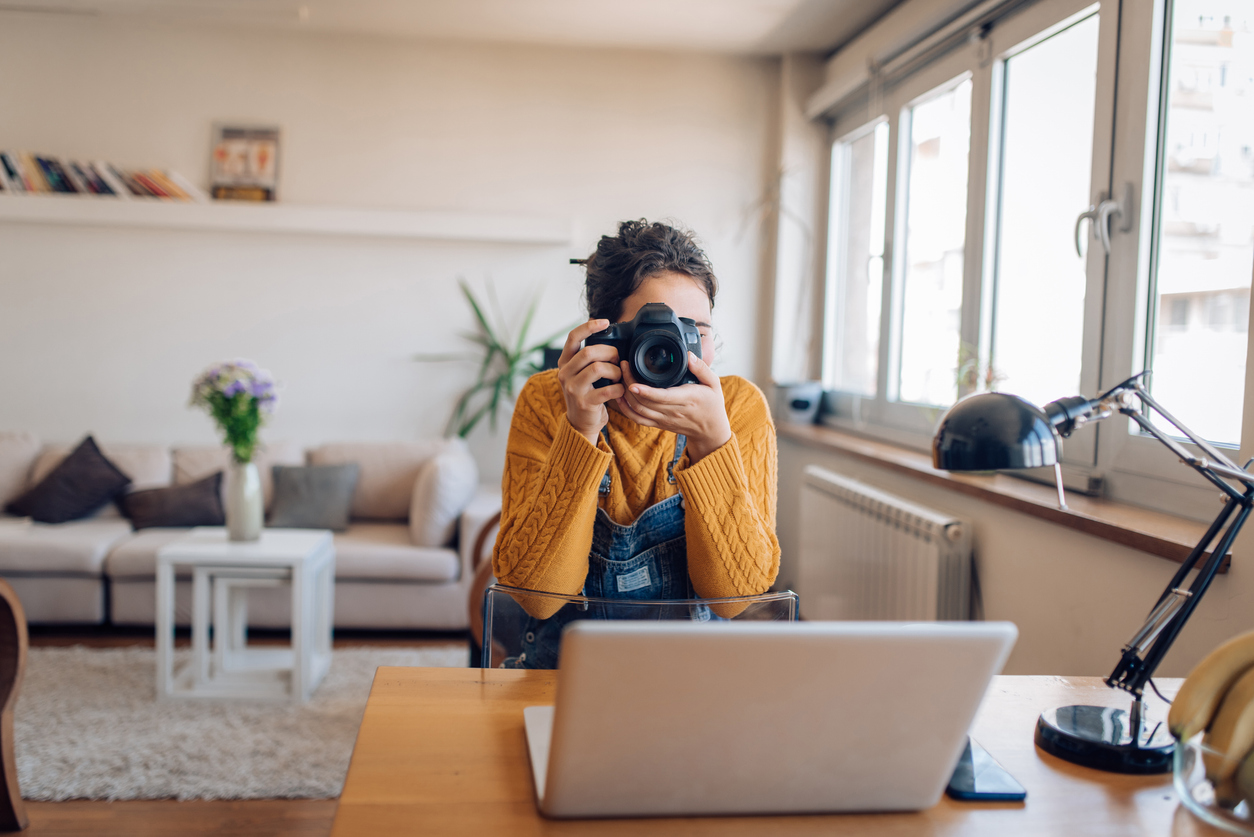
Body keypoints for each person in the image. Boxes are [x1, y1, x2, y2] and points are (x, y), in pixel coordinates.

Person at [490, 219, 780, 667]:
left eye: (697, 330)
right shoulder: (548, 401)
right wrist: (581, 430)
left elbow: (734, 597)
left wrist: (712, 441)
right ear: (602, 335)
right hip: (563, 678)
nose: (680, 352)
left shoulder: (737, 407)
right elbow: (537, 596)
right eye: (655, 332)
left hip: (693, 679)